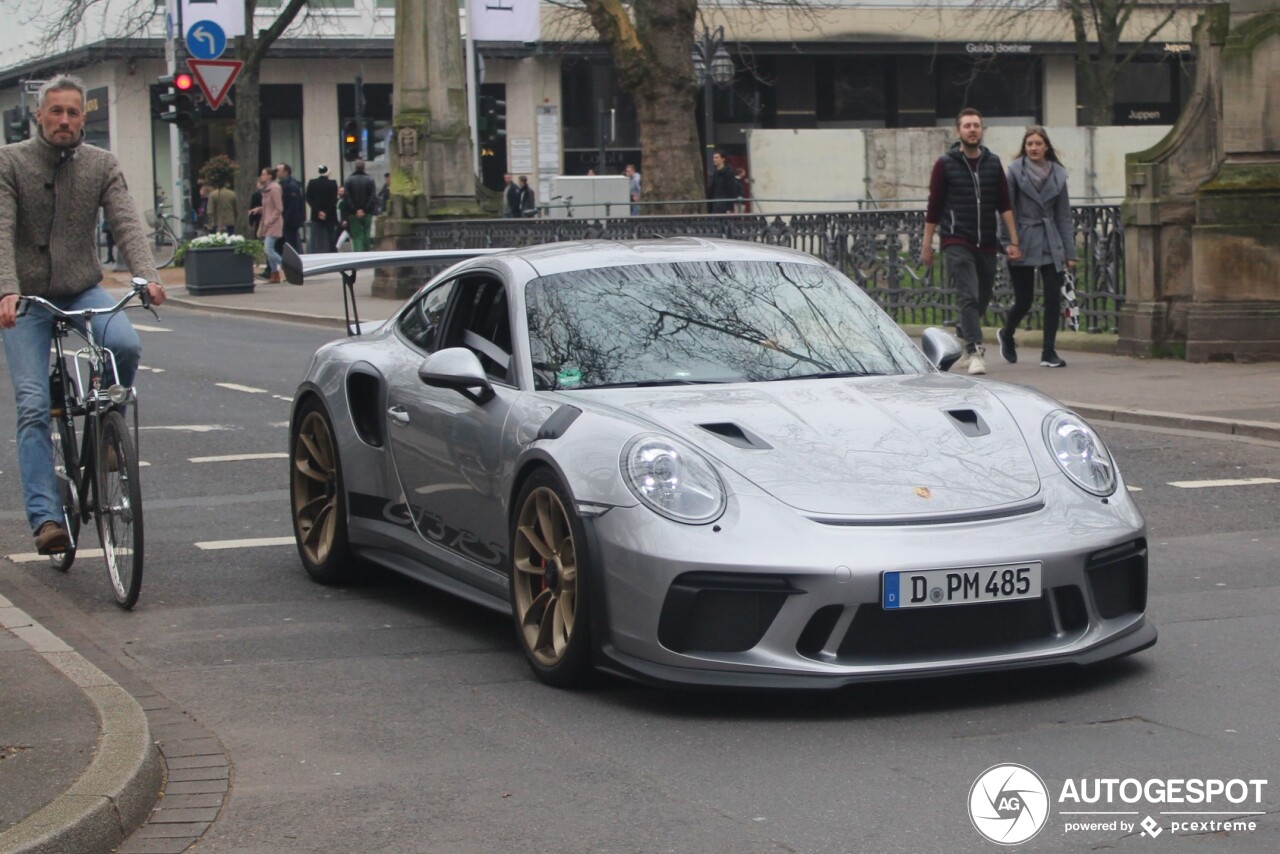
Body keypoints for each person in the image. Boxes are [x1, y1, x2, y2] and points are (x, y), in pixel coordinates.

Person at [0, 75, 167, 555]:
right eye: (56, 112)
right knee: (33, 405)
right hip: (27, 297)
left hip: (81, 288)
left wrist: (147, 276)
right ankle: (46, 518)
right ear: (39, 116)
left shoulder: (101, 164)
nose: (65, 121)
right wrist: (8, 290)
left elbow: (127, 222)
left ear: (83, 119)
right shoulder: (10, 163)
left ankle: (105, 431)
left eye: (73, 113)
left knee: (124, 344)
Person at [921, 108, 1021, 376]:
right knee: (968, 295)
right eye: (967, 126)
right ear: (958, 131)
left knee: (983, 296)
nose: (972, 130)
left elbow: (1004, 204)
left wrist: (1013, 240)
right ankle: (975, 351)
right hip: (957, 239)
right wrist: (926, 243)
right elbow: (934, 206)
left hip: (987, 241)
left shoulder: (992, 162)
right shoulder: (945, 164)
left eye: (976, 125)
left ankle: (964, 334)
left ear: (982, 130)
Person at [998, 126, 1076, 369]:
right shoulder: (1014, 172)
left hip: (1050, 241)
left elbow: (1063, 215)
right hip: (1022, 238)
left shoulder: (1058, 175)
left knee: (1053, 297)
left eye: (1038, 144)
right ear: (1025, 147)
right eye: (1029, 144)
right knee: (1025, 299)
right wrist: (1008, 243)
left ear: (1046, 147)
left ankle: (1048, 352)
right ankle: (1007, 333)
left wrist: (1069, 252)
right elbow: (1005, 209)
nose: (1034, 148)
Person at [342, 159, 378, 251]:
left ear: (355, 167)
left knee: (356, 236)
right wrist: (365, 209)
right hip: (367, 213)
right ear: (364, 167)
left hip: (353, 214)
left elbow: (347, 197)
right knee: (366, 234)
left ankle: (358, 254)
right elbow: (373, 196)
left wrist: (355, 210)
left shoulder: (349, 180)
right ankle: (366, 254)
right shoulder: (370, 180)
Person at [256, 166, 283, 282]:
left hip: (273, 223)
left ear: (270, 176)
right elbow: (269, 206)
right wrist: (260, 210)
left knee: (268, 249)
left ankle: (287, 266)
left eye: (263, 174)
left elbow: (278, 208)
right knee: (268, 250)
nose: (261, 176)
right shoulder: (266, 190)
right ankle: (274, 273)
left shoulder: (274, 189)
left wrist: (269, 221)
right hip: (267, 223)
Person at [305, 164, 338, 254]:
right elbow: (334, 200)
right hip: (330, 214)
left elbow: (308, 198)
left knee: (316, 236)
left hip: (316, 215)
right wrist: (326, 212)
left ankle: (315, 253)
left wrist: (318, 211)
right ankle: (331, 252)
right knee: (330, 236)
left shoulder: (312, 183)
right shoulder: (333, 183)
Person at [276, 162, 305, 254]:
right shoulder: (281, 184)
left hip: (290, 221)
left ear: (286, 172)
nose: (277, 173)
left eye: (279, 171)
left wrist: (285, 219)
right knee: (283, 244)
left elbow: (293, 205)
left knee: (291, 244)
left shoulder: (292, 186)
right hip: (285, 220)